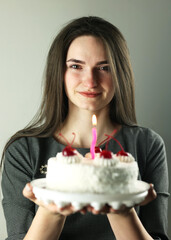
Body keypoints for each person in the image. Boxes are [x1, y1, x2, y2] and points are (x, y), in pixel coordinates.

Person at [1, 16, 169, 240]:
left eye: (104, 67)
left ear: (120, 73)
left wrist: (122, 209)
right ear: (59, 72)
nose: (90, 81)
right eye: (76, 66)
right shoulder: (24, 150)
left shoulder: (148, 145)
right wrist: (52, 209)